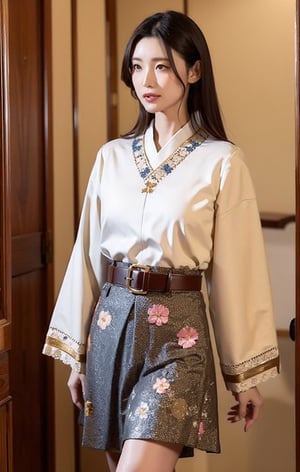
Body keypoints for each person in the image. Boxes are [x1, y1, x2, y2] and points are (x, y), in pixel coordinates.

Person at [43, 10, 280, 472]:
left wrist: (245, 376)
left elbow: (238, 273)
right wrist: (78, 356)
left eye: (162, 65)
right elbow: (88, 256)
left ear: (193, 71)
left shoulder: (222, 162)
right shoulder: (111, 157)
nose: (145, 79)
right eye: (136, 66)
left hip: (179, 339)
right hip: (110, 327)